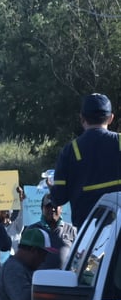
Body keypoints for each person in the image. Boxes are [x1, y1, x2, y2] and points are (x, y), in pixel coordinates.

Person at [50, 93, 119, 228]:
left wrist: (51, 188)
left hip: (89, 237)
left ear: (82, 118)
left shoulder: (70, 151)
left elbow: (59, 198)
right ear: (111, 118)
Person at [27, 194, 77, 269]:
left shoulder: (72, 230)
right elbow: (24, 259)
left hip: (65, 279)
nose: (52, 209)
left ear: (61, 208)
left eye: (55, 206)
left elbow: (78, 258)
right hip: (38, 279)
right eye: (48, 206)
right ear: (42, 208)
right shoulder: (32, 230)